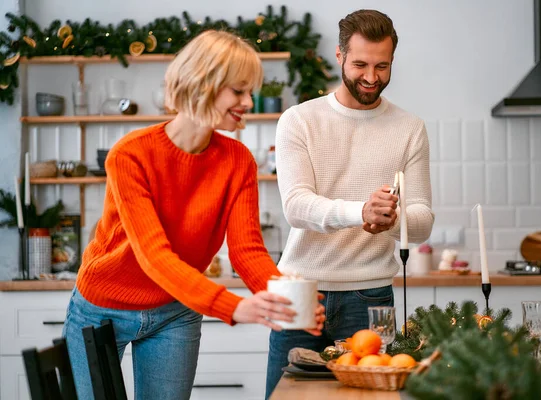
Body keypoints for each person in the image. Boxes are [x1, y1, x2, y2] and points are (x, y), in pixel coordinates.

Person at [62, 30, 325, 400]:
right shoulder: (130, 155)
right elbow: (154, 256)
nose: (249, 102)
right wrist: (236, 307)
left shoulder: (238, 161)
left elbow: (247, 251)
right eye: (238, 91)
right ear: (203, 84)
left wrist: (285, 300)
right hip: (103, 306)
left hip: (175, 310)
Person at [266, 9, 434, 397]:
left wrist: (389, 219)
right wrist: (360, 212)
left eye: (382, 66)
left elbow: (422, 219)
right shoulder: (299, 120)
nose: (371, 78)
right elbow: (296, 206)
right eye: (360, 64)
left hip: (370, 296)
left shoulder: (409, 128)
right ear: (339, 57)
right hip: (300, 292)